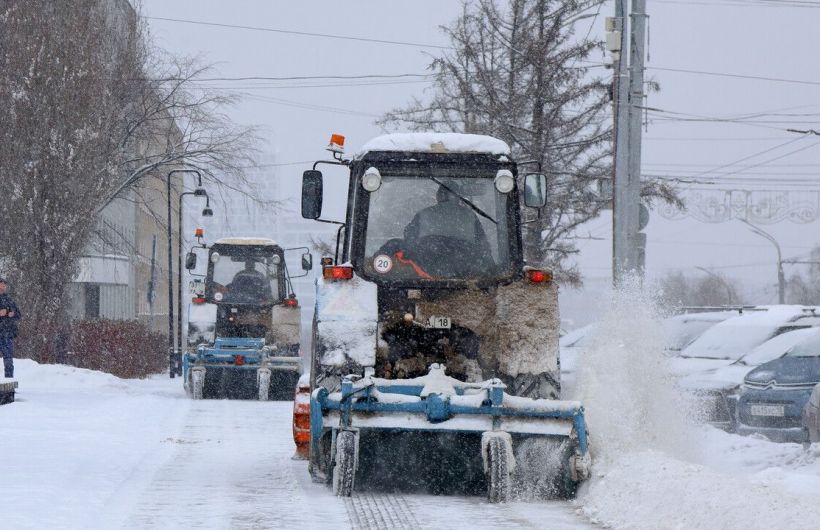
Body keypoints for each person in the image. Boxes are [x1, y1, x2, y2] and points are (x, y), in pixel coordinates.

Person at [402, 184, 494, 276]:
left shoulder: (423, 214)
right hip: (463, 270)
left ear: (438, 196)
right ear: (459, 198)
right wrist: (491, 270)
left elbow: (409, 238)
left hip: (428, 271)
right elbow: (483, 246)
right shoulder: (470, 216)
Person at [0, 278, 22, 378]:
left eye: (4, 285)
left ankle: (9, 382)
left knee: (8, 359)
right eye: (1, 284)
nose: (3, 286)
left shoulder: (9, 300)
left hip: (7, 333)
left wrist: (12, 314)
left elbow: (19, 315)